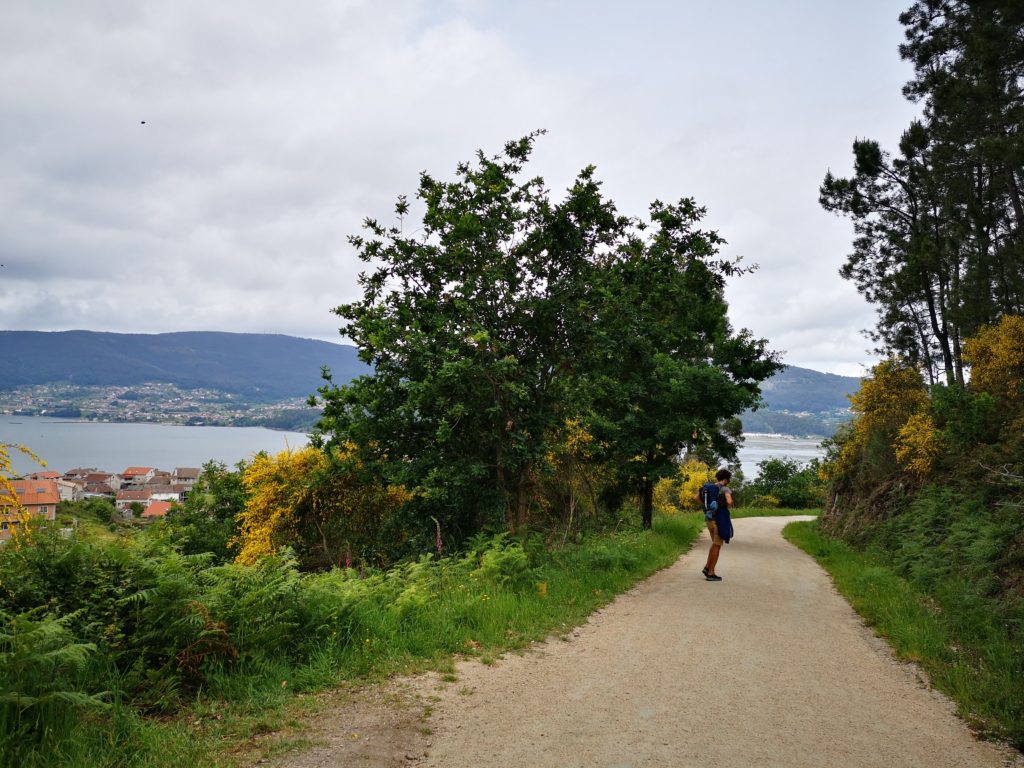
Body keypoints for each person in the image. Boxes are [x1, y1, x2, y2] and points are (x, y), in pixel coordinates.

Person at [697, 469, 733, 582]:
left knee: (715, 544)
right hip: (718, 520)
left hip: (709, 519)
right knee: (717, 545)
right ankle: (711, 572)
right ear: (726, 479)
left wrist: (708, 508)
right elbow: (729, 501)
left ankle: (707, 567)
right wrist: (727, 505)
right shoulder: (725, 488)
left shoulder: (709, 487)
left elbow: (696, 498)